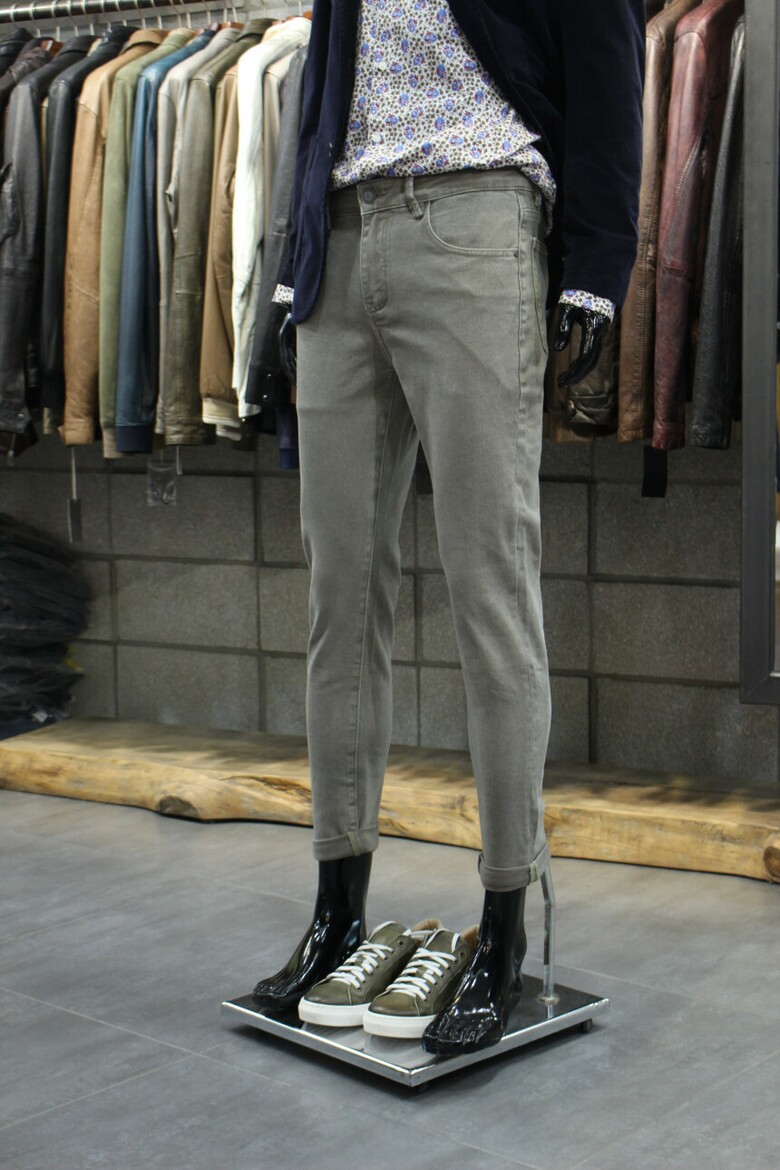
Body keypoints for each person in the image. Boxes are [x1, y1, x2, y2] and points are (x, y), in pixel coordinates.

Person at [252, 0, 644, 1056]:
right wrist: (289, 271)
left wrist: (597, 269)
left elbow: (608, 70)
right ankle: (336, 910)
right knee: (338, 598)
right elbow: (322, 98)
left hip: (475, 219)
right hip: (339, 243)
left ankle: (506, 922)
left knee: (490, 587)